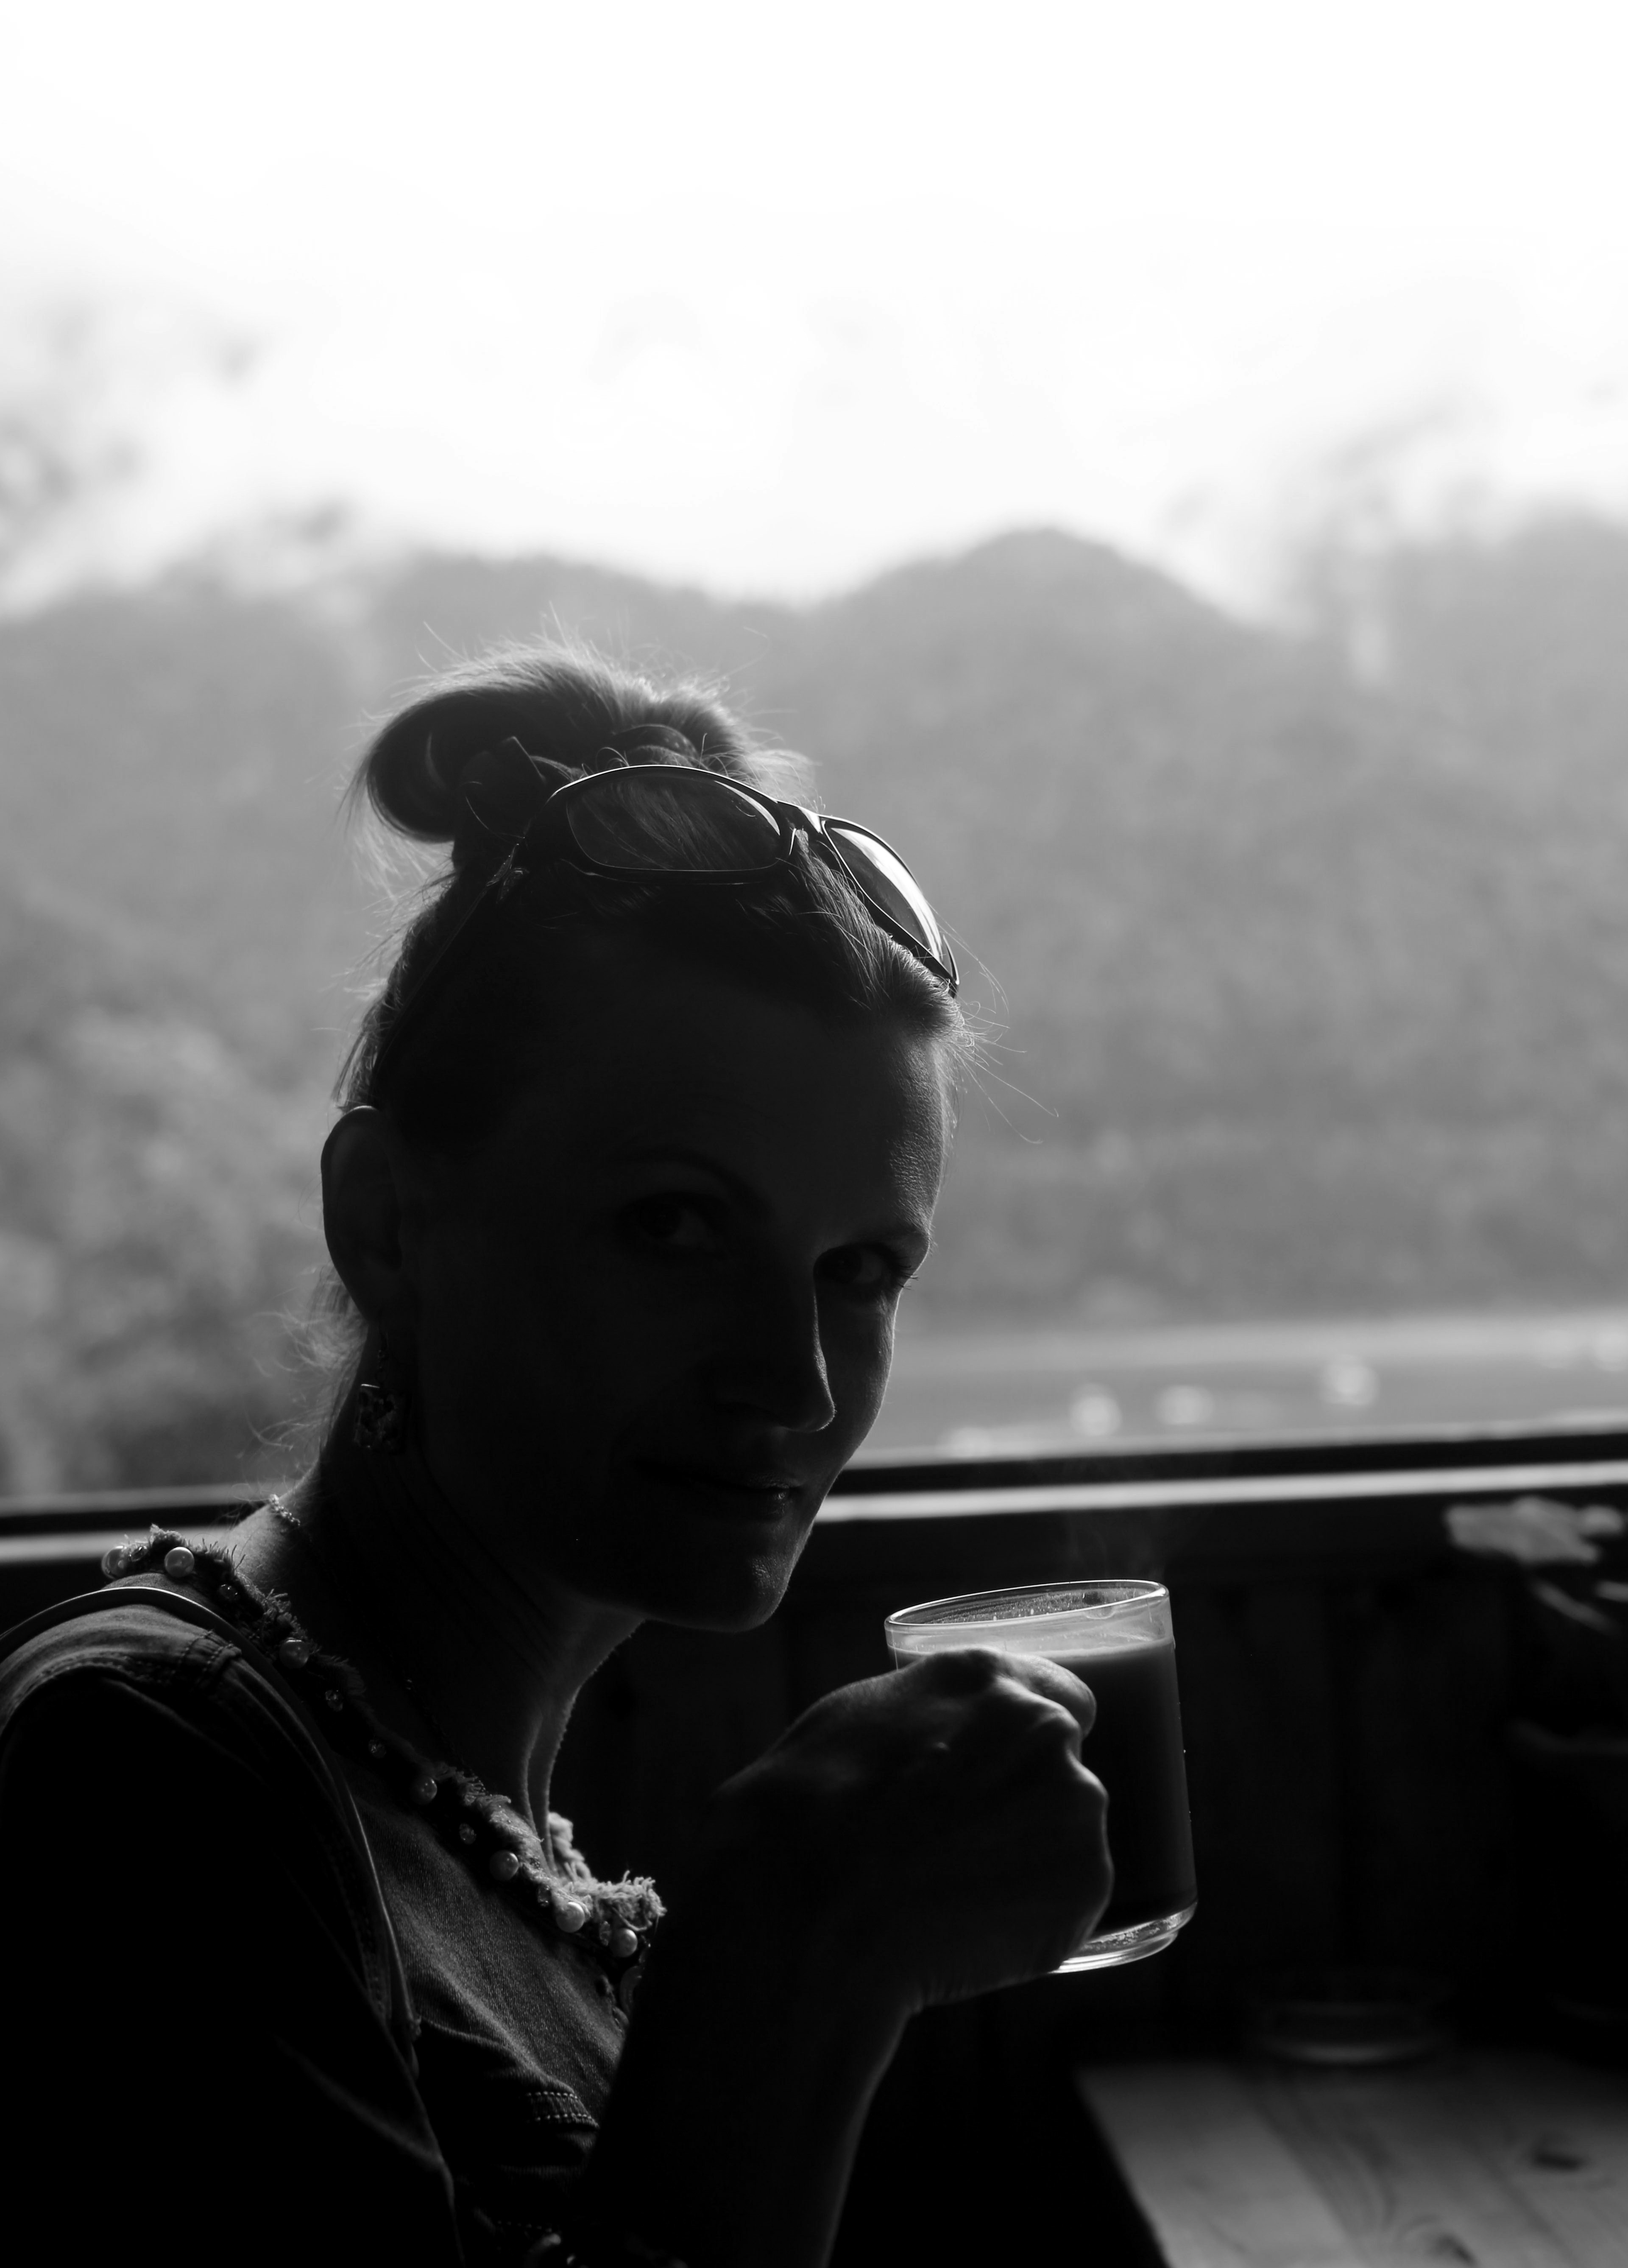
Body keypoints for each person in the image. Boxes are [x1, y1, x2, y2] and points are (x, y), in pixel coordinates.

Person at [0, 648, 1112, 2267]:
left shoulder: (463, 1811)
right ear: (390, 1226)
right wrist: (792, 1953)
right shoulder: (146, 1771)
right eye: (675, 1225)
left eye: (862, 1270)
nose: (795, 1379)